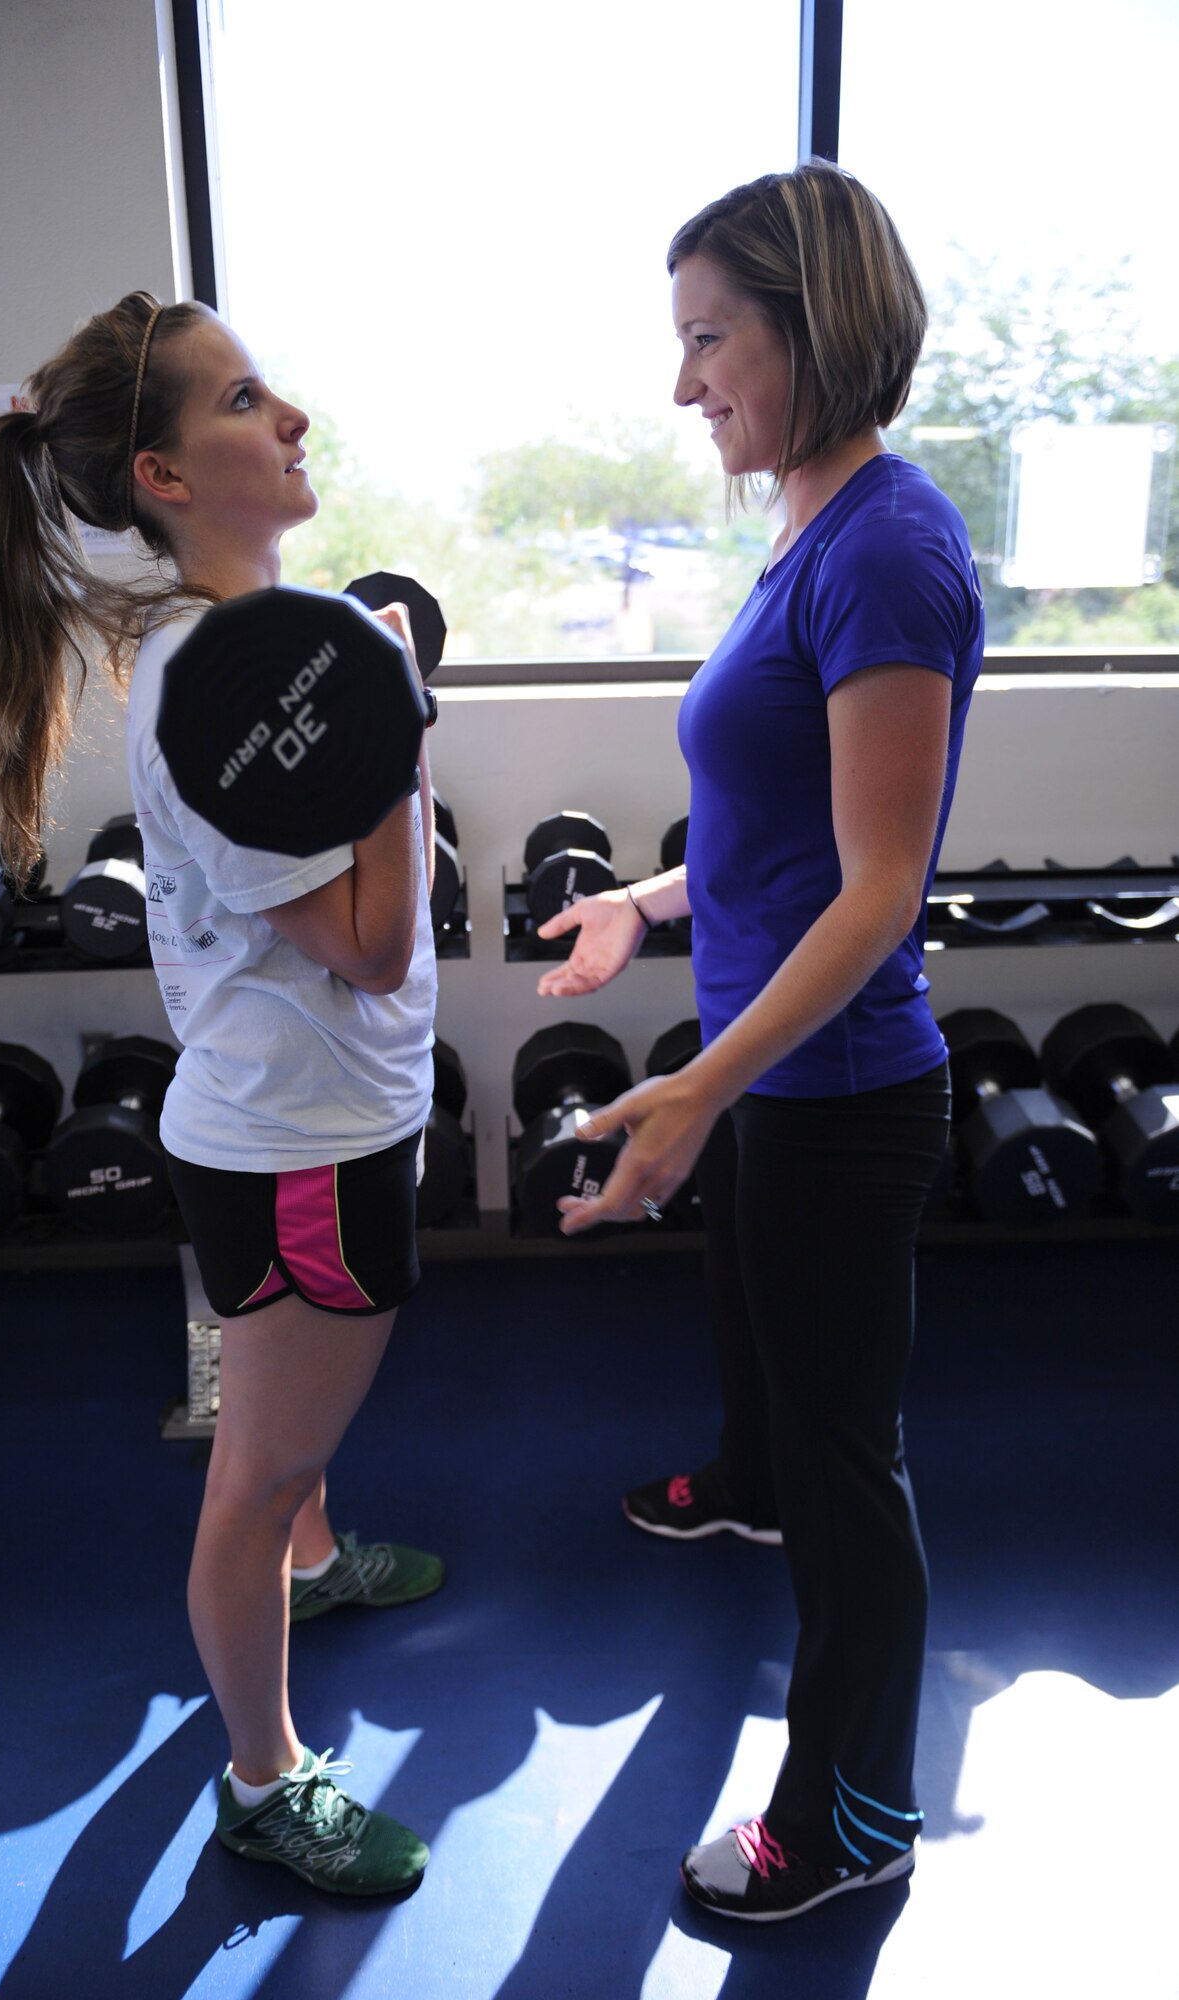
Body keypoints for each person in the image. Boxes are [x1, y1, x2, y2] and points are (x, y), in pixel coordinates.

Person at [537, 163, 983, 1921]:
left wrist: (702, 1086)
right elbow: (771, 825)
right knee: (791, 1428)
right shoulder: (805, 527)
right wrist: (648, 906)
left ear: (817, 325)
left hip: (842, 1090)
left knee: (848, 1476)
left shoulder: (888, 544)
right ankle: (743, 1479)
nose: (683, 384)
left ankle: (859, 1816)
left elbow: (878, 889)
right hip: (773, 1077)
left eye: (711, 340)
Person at [0, 291, 443, 1897]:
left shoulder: (245, 645)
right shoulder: (219, 678)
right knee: (257, 1471)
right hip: (302, 1142)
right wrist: (398, 736)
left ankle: (318, 1558)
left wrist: (364, 695)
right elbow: (373, 946)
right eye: (245, 399)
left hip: (298, 1114)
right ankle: (262, 1776)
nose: (289, 415)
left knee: (286, 1447)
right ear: (165, 475)